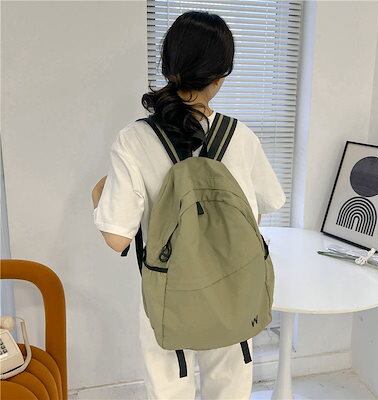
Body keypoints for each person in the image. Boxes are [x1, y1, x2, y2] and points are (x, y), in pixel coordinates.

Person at [91, 10, 286, 400]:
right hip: (233, 287)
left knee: (169, 387)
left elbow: (117, 239)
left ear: (168, 66)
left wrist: (99, 191)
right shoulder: (241, 136)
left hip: (169, 292)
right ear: (220, 77)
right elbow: (264, 206)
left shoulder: (134, 140)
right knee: (229, 386)